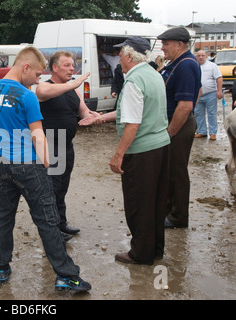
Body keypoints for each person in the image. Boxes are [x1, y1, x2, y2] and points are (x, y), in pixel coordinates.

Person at [0, 47, 91, 292]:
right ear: (25, 67)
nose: (38, 80)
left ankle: (0, 266)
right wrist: (45, 163)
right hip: (28, 165)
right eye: (38, 74)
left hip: (0, 164)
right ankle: (66, 276)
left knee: (2, 216)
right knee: (48, 219)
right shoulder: (26, 96)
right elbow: (38, 135)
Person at [80, 37, 170, 265]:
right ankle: (155, 249)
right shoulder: (153, 75)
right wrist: (102, 117)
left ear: (130, 57)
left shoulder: (133, 82)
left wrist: (118, 154)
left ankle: (140, 254)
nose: (118, 59)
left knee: (138, 203)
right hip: (161, 147)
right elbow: (134, 112)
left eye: (120, 55)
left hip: (142, 152)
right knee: (156, 201)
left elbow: (132, 123)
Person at [35, 51, 101, 241]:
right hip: (50, 145)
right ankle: (52, 232)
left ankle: (61, 224)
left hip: (67, 146)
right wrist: (71, 84)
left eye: (73, 65)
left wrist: (97, 116)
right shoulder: (44, 86)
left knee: (62, 188)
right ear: (54, 68)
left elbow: (84, 112)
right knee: (51, 190)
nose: (72, 68)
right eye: (67, 65)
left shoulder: (74, 90)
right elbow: (42, 93)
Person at [157, 27, 202, 229]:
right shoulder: (179, 63)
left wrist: (170, 132)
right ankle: (168, 211)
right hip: (178, 122)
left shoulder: (185, 65)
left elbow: (185, 105)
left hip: (178, 125)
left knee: (176, 172)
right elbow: (198, 90)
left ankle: (178, 217)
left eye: (166, 43)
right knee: (169, 170)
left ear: (180, 45)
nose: (162, 47)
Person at [194, 50, 223, 140]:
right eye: (199, 55)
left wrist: (219, 91)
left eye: (202, 55)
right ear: (196, 56)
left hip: (210, 93)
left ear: (206, 56)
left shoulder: (212, 66)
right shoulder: (194, 66)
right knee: (198, 113)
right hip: (198, 95)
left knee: (211, 113)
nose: (201, 57)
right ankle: (202, 131)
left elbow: (219, 78)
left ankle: (212, 132)